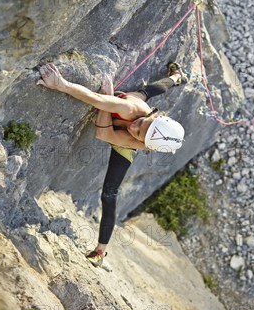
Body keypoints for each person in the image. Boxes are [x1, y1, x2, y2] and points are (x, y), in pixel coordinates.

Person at [37, 62, 186, 266]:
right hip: (128, 105)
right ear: (152, 115)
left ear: (145, 145)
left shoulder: (142, 141)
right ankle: (176, 78)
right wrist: (62, 84)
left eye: (139, 134)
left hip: (124, 135)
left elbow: (103, 133)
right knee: (145, 92)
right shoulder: (130, 108)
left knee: (109, 194)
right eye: (141, 125)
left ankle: (100, 251)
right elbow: (95, 99)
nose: (134, 128)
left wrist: (107, 102)